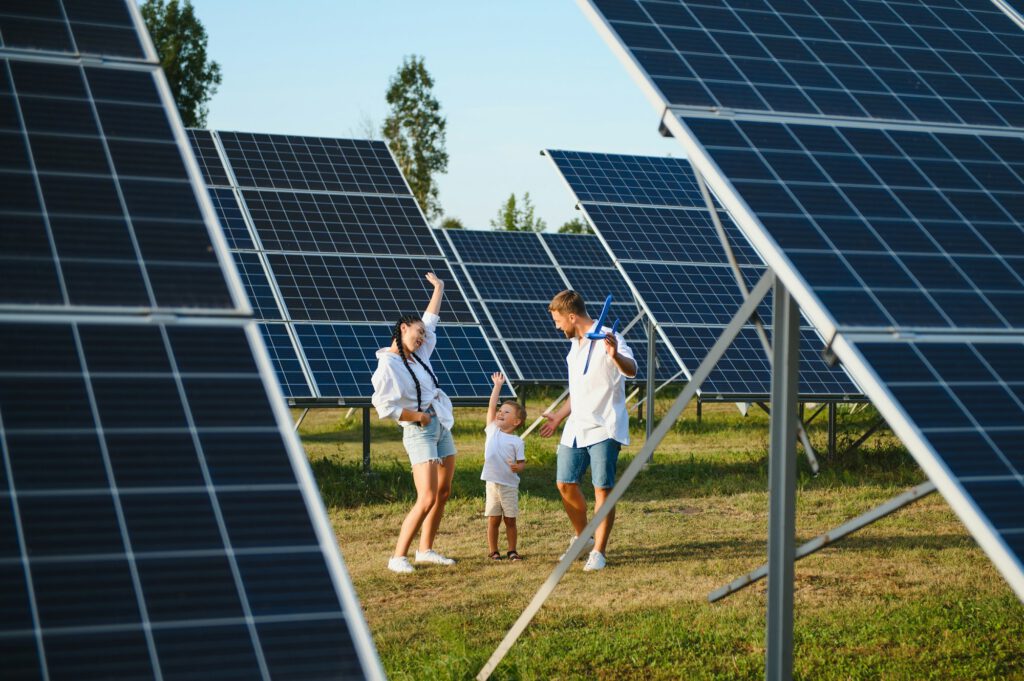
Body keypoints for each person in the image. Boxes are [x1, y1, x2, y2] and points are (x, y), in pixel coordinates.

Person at [540, 289, 636, 572]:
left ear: (571, 316)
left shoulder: (609, 336)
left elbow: (631, 370)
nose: (557, 327)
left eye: (559, 321)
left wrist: (615, 354)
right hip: (575, 426)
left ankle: (599, 551)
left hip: (604, 426)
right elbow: (580, 386)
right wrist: (559, 416)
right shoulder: (575, 344)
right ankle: (582, 537)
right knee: (564, 483)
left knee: (602, 490)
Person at [371, 272, 457, 574]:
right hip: (419, 430)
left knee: (443, 492)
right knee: (427, 497)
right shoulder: (388, 366)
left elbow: (430, 320)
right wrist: (418, 416)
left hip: (440, 425)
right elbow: (384, 406)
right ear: (402, 328)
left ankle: (426, 550)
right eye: (416, 333)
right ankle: (398, 556)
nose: (421, 338)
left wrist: (439, 288)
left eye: (422, 335)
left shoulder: (419, 355)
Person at [481, 372, 527, 561]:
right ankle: (493, 551)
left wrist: (518, 467)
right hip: (492, 485)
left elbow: (522, 463)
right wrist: (497, 386)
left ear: (516, 422)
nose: (500, 412)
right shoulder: (492, 430)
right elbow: (492, 406)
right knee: (493, 519)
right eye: (501, 410)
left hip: (509, 486)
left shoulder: (517, 441)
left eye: (506, 412)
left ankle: (512, 550)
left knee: (510, 520)